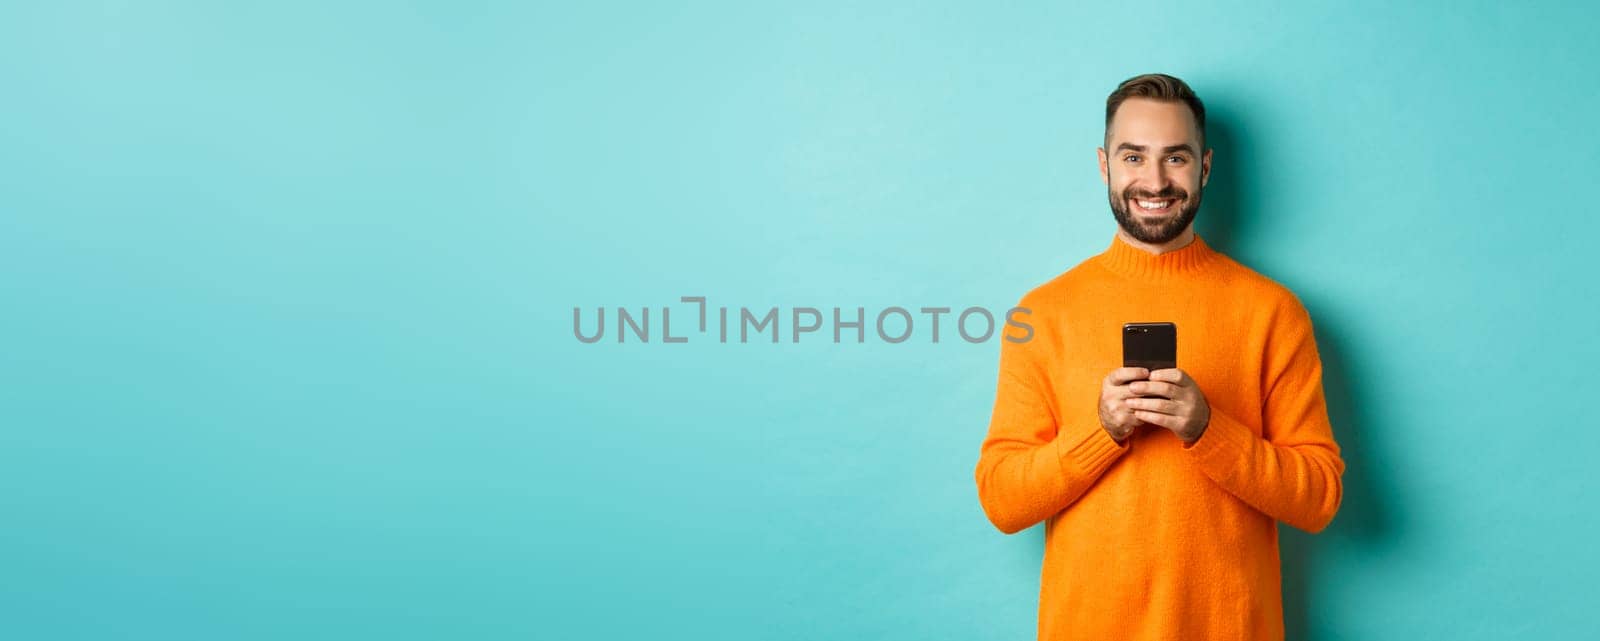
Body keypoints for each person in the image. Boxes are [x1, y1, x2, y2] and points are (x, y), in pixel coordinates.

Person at [974, 73, 1345, 641]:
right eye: (1133, 157)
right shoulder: (1043, 314)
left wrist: (1207, 429)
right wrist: (1101, 430)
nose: (1154, 180)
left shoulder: (1272, 311)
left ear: (1206, 167)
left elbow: (1319, 498)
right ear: (1104, 166)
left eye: (1175, 158)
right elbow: (1002, 500)